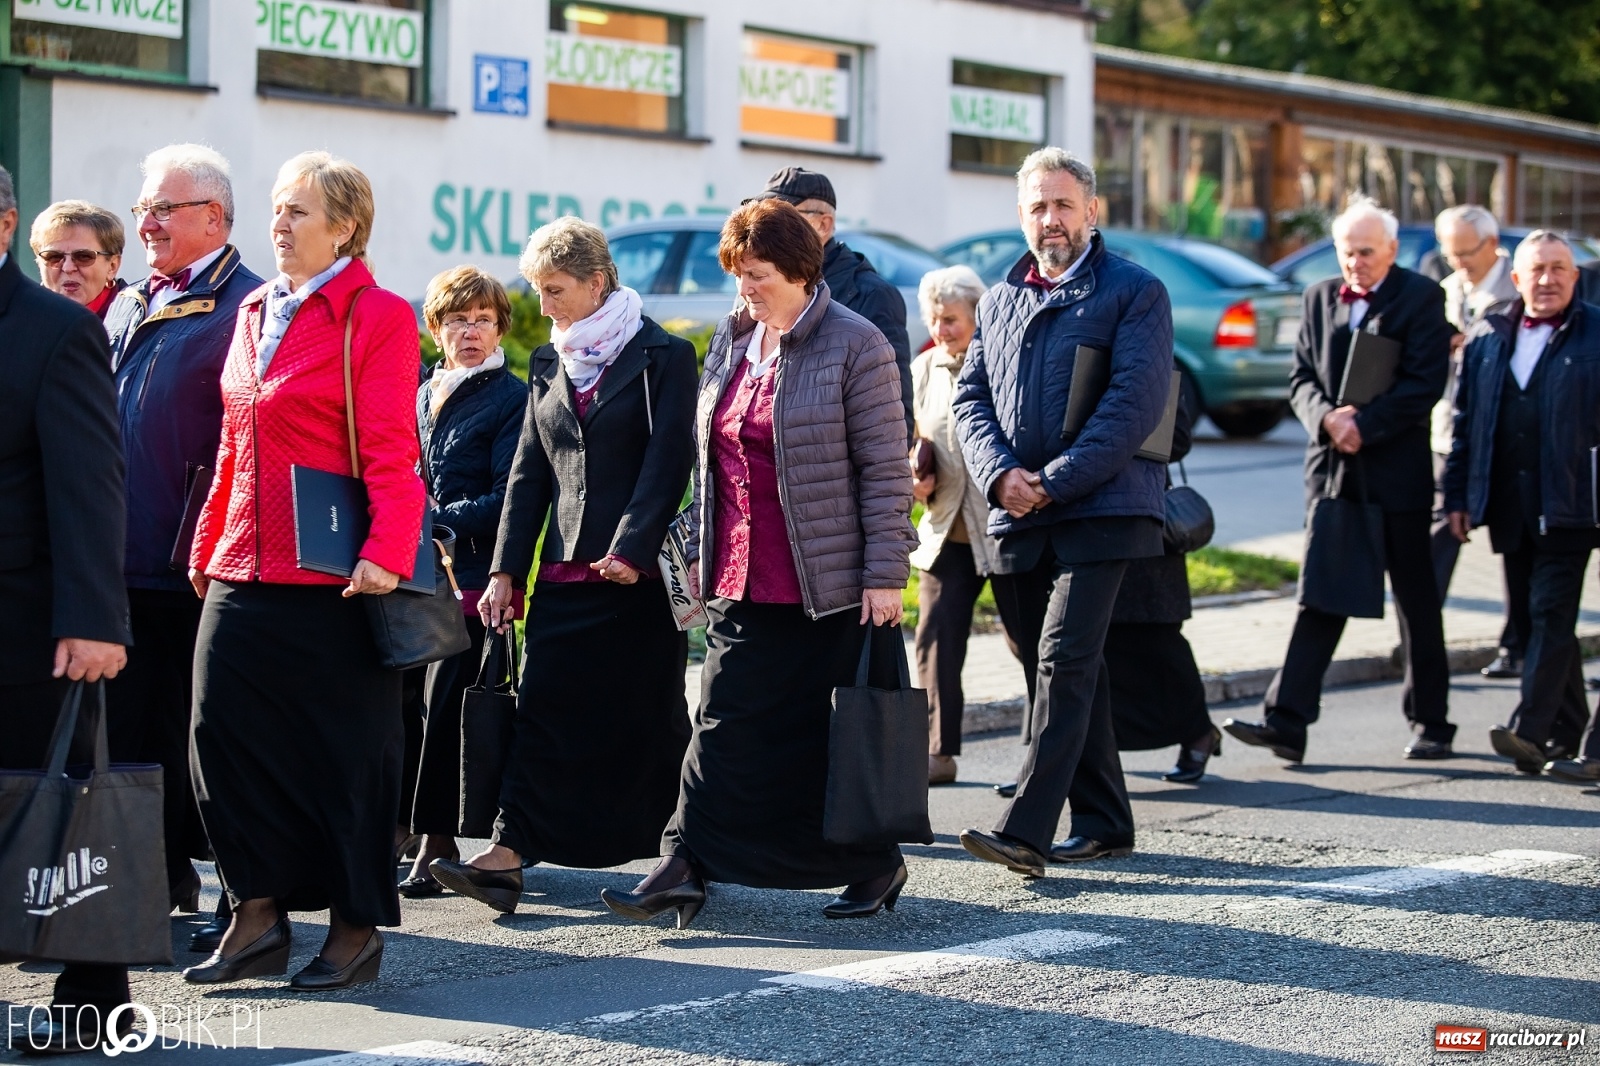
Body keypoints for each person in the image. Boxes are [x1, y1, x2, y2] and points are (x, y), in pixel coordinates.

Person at [600, 198, 916, 927]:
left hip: (826, 582)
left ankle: (874, 862)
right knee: (720, 721)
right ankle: (686, 861)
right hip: (738, 572)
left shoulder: (856, 344)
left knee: (821, 739)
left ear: (803, 272)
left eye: (760, 276)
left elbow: (883, 469)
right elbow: (710, 450)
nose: (746, 290)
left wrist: (884, 573)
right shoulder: (734, 338)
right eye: (738, 275)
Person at [184, 151, 425, 991]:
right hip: (241, 564)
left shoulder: (381, 316)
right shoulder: (252, 309)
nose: (278, 226)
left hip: (339, 578)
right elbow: (232, 444)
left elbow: (397, 451)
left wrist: (387, 553)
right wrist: (207, 544)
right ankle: (256, 915)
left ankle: (355, 930)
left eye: (297, 212)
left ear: (345, 227)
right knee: (222, 743)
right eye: (276, 211)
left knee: (346, 758)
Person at [429, 218, 696, 914]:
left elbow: (670, 461)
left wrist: (632, 547)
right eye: (537, 289)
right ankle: (508, 854)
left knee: (648, 719)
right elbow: (528, 475)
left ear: (597, 281)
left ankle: (684, 852)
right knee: (542, 713)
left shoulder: (663, 355)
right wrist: (506, 572)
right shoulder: (548, 361)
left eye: (555, 289)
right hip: (562, 575)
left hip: (632, 577)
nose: (543, 305)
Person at [952, 147, 1174, 878]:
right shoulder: (1001, 297)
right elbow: (970, 399)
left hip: (1102, 507)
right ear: (1022, 216)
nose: (1052, 220)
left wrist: (1054, 480)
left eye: (1064, 205)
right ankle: (1106, 821)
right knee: (1059, 667)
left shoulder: (1135, 291)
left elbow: (1134, 404)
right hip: (1016, 510)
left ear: (1091, 211)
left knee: (1063, 659)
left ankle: (1027, 831)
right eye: (1038, 207)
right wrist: (998, 476)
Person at [99, 145, 262, 953]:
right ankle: (154, 889)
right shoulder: (129, 302)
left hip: (197, 561)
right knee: (131, 740)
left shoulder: (249, 304)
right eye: (142, 209)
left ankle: (243, 904)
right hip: (122, 559)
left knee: (207, 746)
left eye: (163, 208)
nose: (148, 223)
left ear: (213, 217)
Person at [1225, 197, 1453, 764]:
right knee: (1321, 596)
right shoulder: (1319, 295)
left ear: (1393, 251)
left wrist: (1364, 425)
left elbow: (1425, 382)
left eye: (1367, 253)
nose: (1356, 264)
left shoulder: (1422, 297)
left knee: (1416, 600)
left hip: (1396, 475)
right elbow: (1300, 376)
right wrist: (1326, 419)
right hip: (1333, 471)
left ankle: (1432, 722)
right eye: (1348, 253)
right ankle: (1287, 722)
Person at [0, 165, 137, 1055]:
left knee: (64, 814)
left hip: (26, 622)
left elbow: (91, 484)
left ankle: (97, 1001)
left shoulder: (52, 331)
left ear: (4, 221)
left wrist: (95, 618)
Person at [1444, 231, 1600, 781]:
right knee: (1535, 625)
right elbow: (1464, 426)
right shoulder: (1488, 334)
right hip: (1510, 504)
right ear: (1516, 278)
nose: (1548, 279)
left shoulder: (1596, 333)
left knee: (1550, 613)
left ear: (1575, 277)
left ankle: (1529, 730)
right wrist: (1457, 497)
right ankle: (1569, 733)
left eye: (1560, 269)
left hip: (1575, 503)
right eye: (1537, 269)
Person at [396, 267, 528, 898]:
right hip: (413, 575)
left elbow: (508, 497)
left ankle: (438, 839)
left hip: (474, 576)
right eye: (456, 319)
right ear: (437, 327)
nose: (469, 331)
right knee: (412, 711)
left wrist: (430, 520)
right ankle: (419, 832)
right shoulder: (423, 390)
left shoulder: (511, 396)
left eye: (482, 319)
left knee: (449, 707)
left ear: (500, 326)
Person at [909, 265, 1030, 787]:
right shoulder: (924, 369)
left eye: (953, 319)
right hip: (947, 524)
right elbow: (916, 435)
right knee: (935, 638)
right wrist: (915, 467)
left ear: (979, 318)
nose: (942, 329)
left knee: (1028, 643)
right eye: (935, 319)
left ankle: (1043, 752)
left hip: (1004, 526)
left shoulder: (1005, 365)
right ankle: (938, 752)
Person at [751, 167, 913, 440]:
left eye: (783, 219)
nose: (768, 230)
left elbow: (892, 419)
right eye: (765, 217)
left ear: (823, 225)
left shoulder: (870, 294)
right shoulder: (756, 288)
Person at [1432, 206, 1523, 679]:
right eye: (1450, 255)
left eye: (1465, 253)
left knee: (1513, 543)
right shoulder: (1449, 290)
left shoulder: (1519, 289)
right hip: (1448, 432)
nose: (1459, 264)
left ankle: (1515, 645)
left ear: (1491, 244)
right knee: (1440, 534)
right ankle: (1423, 642)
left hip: (1504, 437)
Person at [29, 199, 125, 316]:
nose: (68, 268)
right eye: (54, 257)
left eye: (83, 257)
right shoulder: (20, 318)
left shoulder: (137, 321)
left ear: (112, 266)